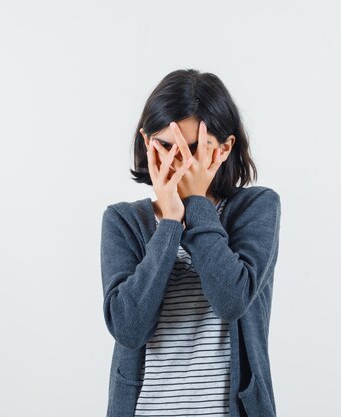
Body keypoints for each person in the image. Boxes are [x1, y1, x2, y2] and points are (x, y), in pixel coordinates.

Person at [100, 69, 282, 417]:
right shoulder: (123, 221)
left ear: (224, 148)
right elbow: (127, 328)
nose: (177, 162)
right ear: (146, 143)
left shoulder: (256, 208)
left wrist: (196, 206)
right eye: (165, 146)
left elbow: (231, 300)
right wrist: (169, 222)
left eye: (193, 149)